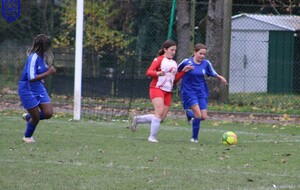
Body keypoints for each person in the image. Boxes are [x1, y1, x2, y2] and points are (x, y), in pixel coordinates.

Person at [131, 39, 193, 143]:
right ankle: (152, 137)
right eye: (171, 50)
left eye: (175, 50)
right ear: (165, 49)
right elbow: (149, 72)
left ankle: (138, 119)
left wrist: (183, 71)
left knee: (161, 118)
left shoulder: (174, 63)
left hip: (167, 92)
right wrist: (158, 73)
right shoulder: (159, 59)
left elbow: (174, 80)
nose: (173, 52)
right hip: (156, 88)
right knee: (158, 112)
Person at [178, 43, 228, 143]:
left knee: (203, 117)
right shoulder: (186, 62)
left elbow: (213, 72)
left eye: (204, 54)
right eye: (200, 53)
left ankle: (189, 113)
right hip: (189, 91)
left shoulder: (206, 63)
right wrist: (184, 70)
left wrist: (221, 77)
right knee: (198, 115)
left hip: (201, 92)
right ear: (194, 52)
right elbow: (176, 71)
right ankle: (194, 138)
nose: (202, 56)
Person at [18, 34, 56, 143]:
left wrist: (42, 77)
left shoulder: (43, 56)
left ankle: (28, 117)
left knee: (48, 113)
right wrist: (48, 72)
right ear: (42, 46)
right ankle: (27, 137)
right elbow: (31, 77)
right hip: (27, 89)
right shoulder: (33, 57)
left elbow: (38, 73)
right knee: (36, 118)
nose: (48, 48)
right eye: (47, 46)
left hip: (38, 87)